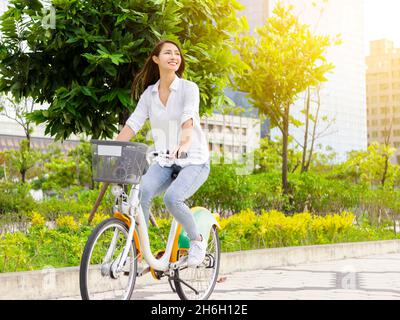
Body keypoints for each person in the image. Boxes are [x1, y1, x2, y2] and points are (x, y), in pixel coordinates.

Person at [116, 40, 210, 267]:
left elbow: (188, 118)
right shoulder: (149, 95)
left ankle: (197, 241)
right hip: (165, 160)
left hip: (193, 159)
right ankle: (141, 253)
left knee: (172, 198)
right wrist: (112, 147)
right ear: (156, 59)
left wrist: (184, 143)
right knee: (142, 193)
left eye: (177, 53)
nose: (174, 56)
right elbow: (133, 124)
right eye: (168, 52)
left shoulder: (189, 88)